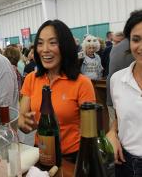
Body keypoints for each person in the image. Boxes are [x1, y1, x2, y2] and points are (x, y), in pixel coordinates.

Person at [18, 20, 95, 163]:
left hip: (72, 158)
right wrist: (24, 123)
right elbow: (22, 118)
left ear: (65, 46)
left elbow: (89, 133)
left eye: (53, 43)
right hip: (40, 153)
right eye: (40, 43)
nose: (45, 49)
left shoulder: (82, 83)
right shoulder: (31, 79)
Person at [106, 9, 142, 176]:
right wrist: (112, 132)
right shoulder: (117, 80)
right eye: (136, 39)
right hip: (125, 164)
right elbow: (120, 118)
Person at [105, 38, 134, 126]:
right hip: (127, 95)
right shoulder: (133, 47)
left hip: (111, 92)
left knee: (113, 125)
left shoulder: (115, 47)